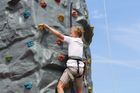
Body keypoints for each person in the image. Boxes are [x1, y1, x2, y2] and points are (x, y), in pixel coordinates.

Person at [40, 24, 85, 93]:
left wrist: (48, 27)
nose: (70, 34)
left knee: (60, 86)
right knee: (80, 91)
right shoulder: (81, 42)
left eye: (71, 33)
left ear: (75, 34)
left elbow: (59, 34)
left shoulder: (71, 40)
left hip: (72, 67)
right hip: (81, 69)